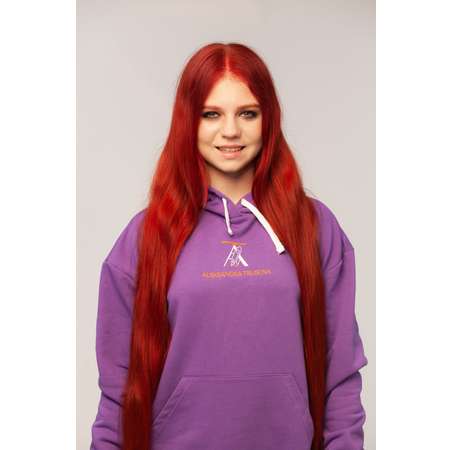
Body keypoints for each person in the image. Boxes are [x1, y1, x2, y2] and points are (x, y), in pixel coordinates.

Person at [89, 42, 368, 450]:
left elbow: (341, 375)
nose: (231, 131)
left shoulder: (315, 227)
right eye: (211, 114)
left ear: (268, 119)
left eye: (247, 113)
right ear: (188, 121)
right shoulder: (144, 236)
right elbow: (116, 389)